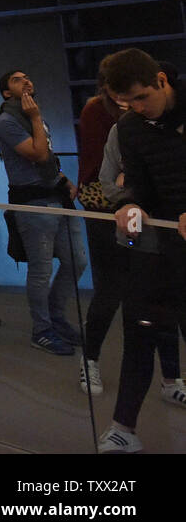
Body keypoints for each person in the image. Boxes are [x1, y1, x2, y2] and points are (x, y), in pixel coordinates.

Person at [96, 50, 186, 452]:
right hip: (161, 249)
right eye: (126, 102)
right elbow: (140, 186)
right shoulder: (130, 128)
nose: (135, 108)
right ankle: (123, 429)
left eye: (141, 97)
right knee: (139, 333)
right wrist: (128, 205)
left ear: (163, 80)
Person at [0, 68, 86, 354]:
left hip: (54, 196)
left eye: (28, 77)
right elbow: (37, 154)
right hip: (32, 203)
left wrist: (62, 179)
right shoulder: (8, 121)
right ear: (7, 92)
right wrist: (34, 119)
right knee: (41, 269)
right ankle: (42, 329)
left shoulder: (37, 118)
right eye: (17, 80)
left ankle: (56, 317)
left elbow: (49, 160)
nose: (27, 81)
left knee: (76, 261)